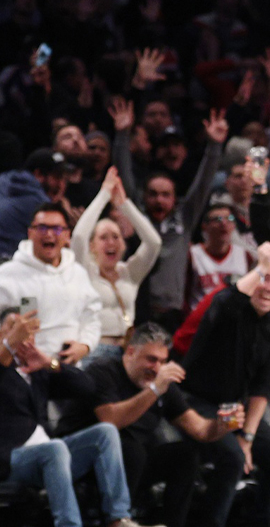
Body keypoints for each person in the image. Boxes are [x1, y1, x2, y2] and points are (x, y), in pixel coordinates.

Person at [59, 323, 246, 527]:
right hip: (82, 461)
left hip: (131, 463)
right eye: (150, 359)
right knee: (131, 449)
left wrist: (222, 426)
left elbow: (200, 429)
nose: (156, 368)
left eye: (162, 361)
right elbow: (111, 420)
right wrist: (155, 389)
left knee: (185, 454)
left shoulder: (160, 383)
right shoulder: (103, 371)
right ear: (130, 352)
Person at [0, 309, 168, 527]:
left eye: (26, 330)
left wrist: (50, 364)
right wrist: (8, 344)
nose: (22, 334)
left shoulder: (35, 370)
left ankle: (117, 523)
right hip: (12, 460)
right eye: (13, 328)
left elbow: (86, 387)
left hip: (50, 457)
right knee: (54, 449)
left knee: (105, 433)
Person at [180, 243, 270, 527]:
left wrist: (247, 436)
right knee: (231, 457)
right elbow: (228, 298)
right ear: (251, 278)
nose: (269, 288)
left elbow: (262, 388)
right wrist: (260, 266)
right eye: (264, 279)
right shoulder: (228, 307)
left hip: (236, 410)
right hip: (196, 401)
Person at [112, 101, 227, 332]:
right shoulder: (138, 216)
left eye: (166, 195)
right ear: (144, 197)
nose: (159, 200)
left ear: (175, 200)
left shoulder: (184, 218)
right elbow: (123, 173)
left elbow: (203, 183)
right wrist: (123, 134)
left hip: (173, 314)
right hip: (138, 308)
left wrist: (214, 145)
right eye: (153, 194)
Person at [71, 168, 162, 366]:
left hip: (127, 354)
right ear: (92, 246)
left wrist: (124, 204)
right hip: (94, 353)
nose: (111, 242)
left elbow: (154, 243)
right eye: (103, 237)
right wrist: (104, 194)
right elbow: (78, 236)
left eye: (116, 236)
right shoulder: (84, 270)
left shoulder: (129, 272)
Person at [0, 202, 101, 365]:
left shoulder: (78, 273)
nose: (49, 234)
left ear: (67, 235)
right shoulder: (7, 273)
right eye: (41, 228)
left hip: (68, 369)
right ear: (30, 233)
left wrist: (85, 345)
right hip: (22, 369)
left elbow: (92, 318)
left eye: (56, 228)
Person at [185, 202, 256, 311]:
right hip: (200, 320)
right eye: (217, 219)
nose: (223, 223)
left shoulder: (244, 255)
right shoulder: (193, 254)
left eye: (229, 218)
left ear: (234, 225)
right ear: (205, 226)